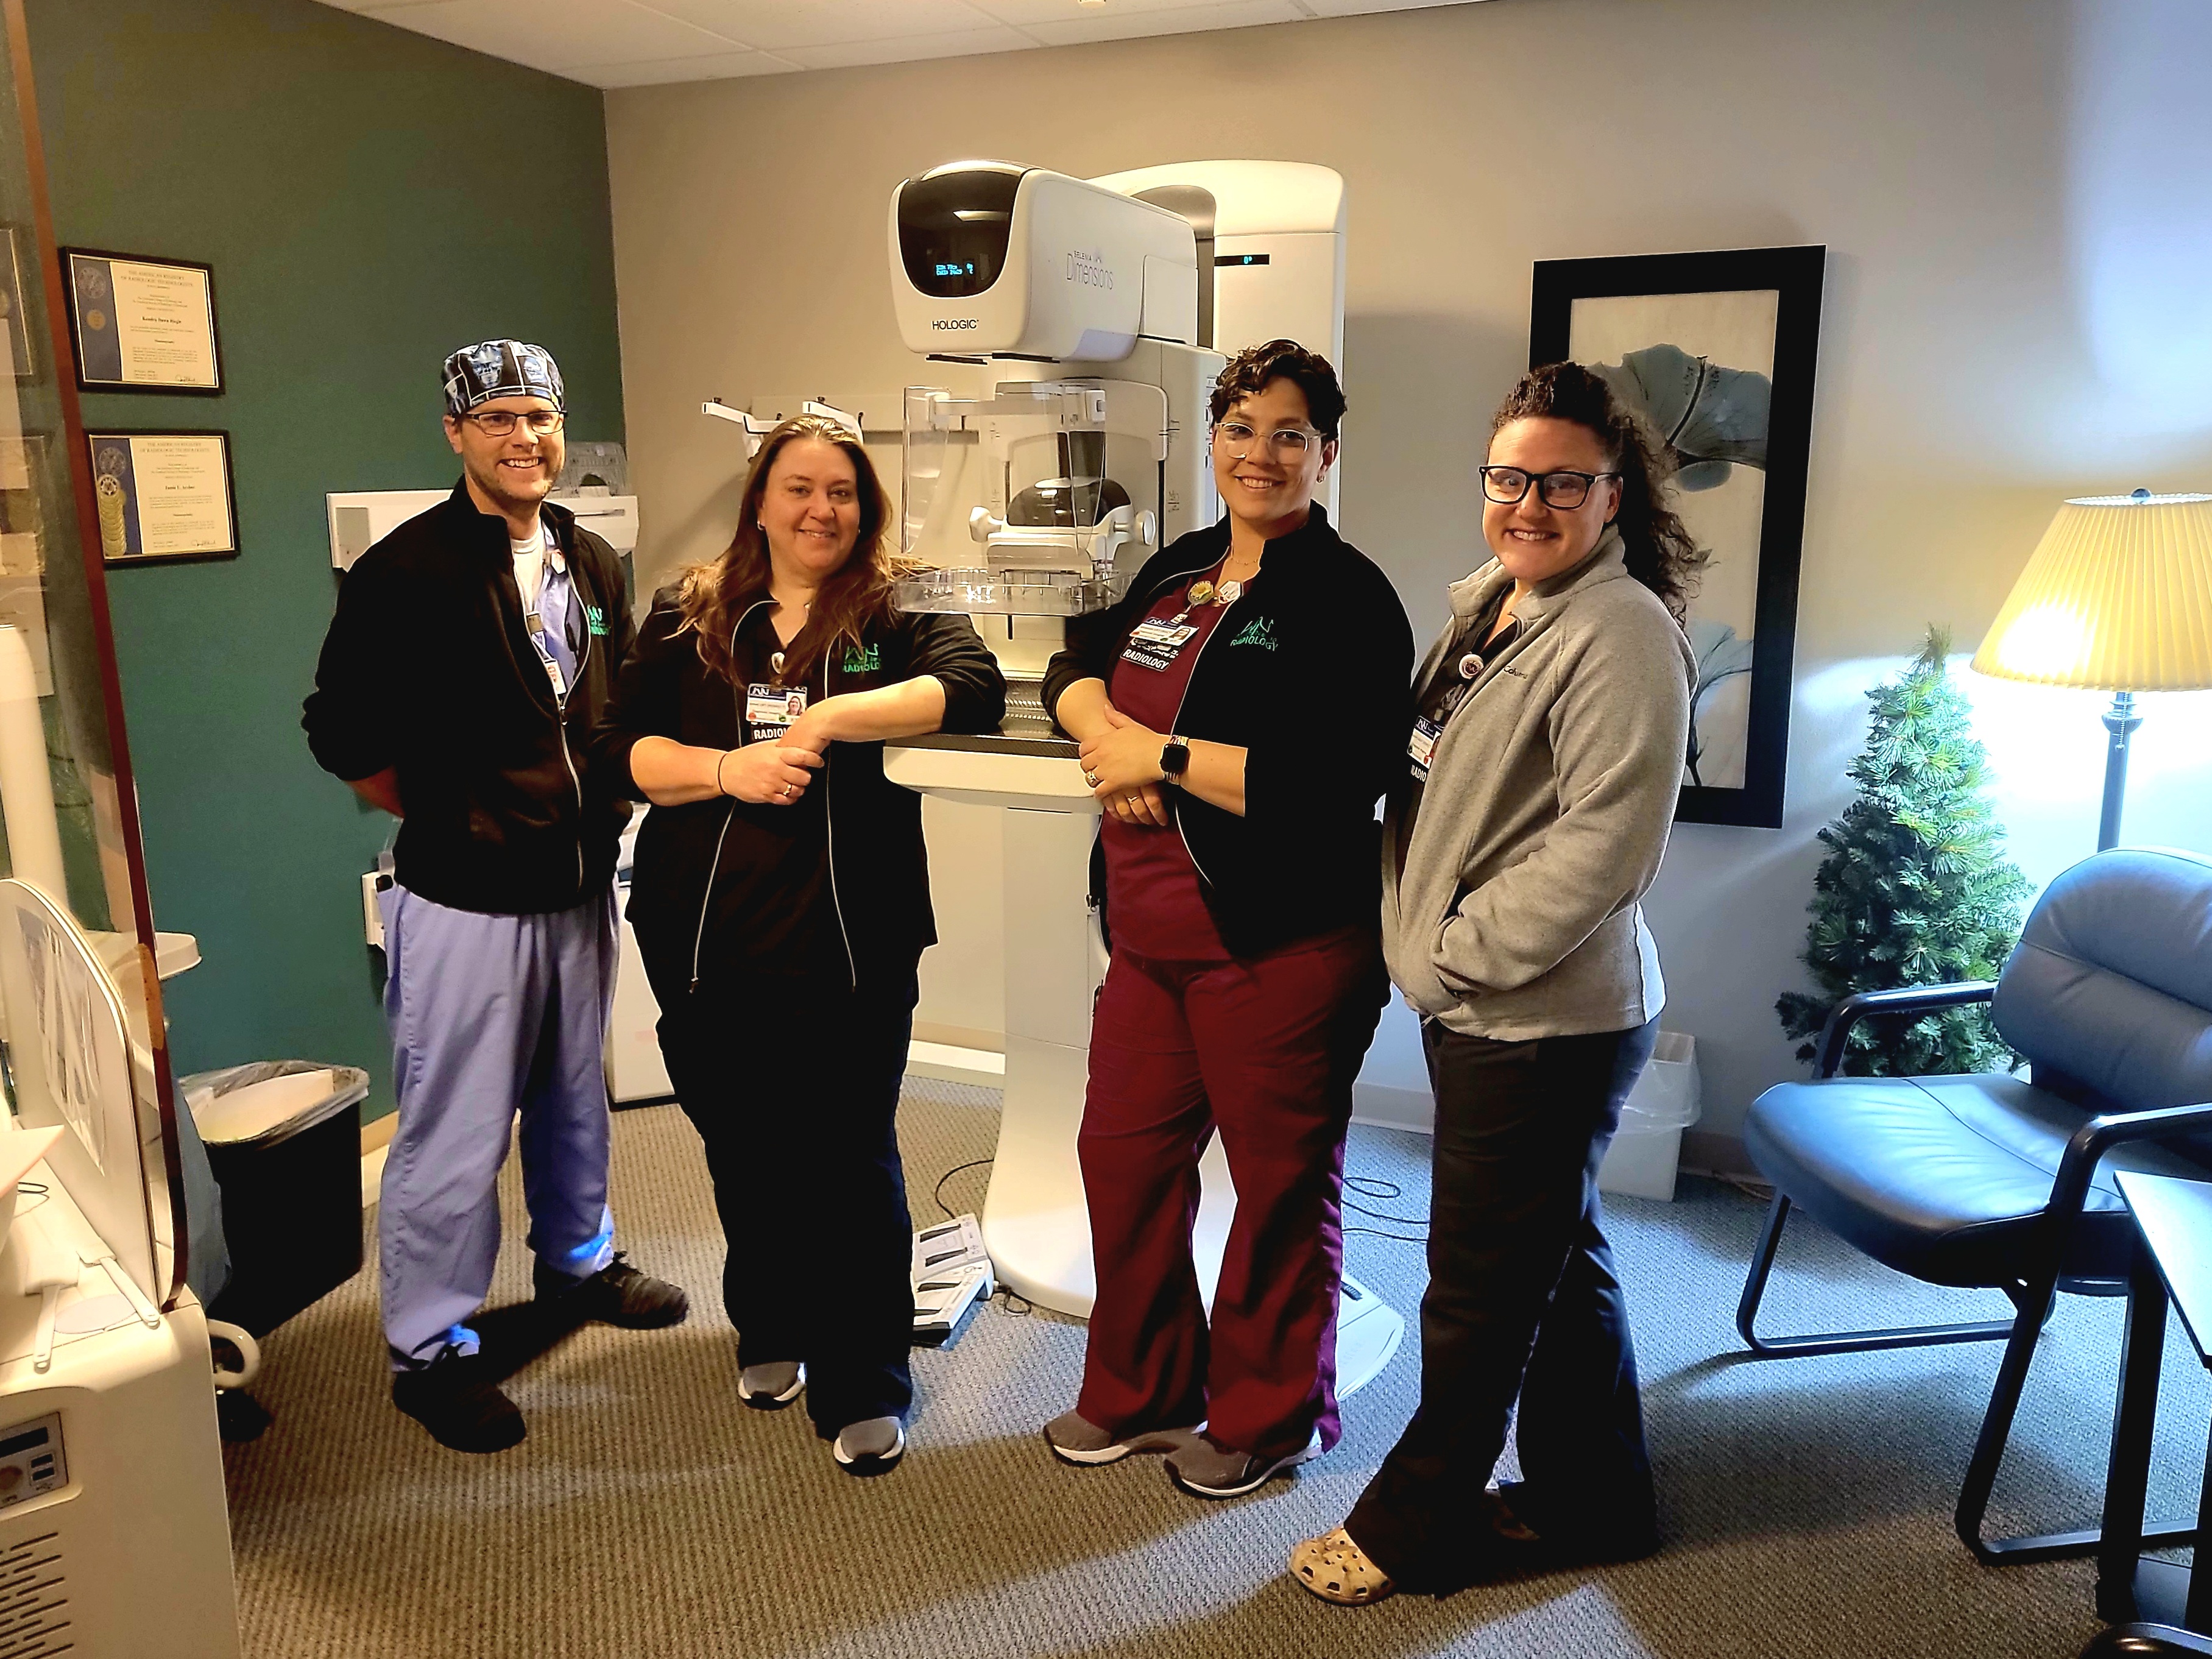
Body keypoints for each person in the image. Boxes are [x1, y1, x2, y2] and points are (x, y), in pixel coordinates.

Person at [1290, 361, 1698, 1604]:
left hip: (1540, 1014)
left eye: (1562, 482)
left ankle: (1412, 1525)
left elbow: (1605, 845)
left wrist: (1454, 950)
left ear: (1612, 492)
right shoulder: (1494, 608)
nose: (1529, 501)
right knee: (1553, 1262)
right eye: (1509, 477)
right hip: (1498, 1003)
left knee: (1476, 1289)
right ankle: (1598, 1499)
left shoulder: (1619, 631)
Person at [591, 413, 1004, 1478]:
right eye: (800, 489)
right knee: (744, 1151)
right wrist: (727, 771)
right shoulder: (689, 615)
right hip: (700, 939)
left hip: (846, 948)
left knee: (849, 1160)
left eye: (844, 492)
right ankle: (771, 1325)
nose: (823, 510)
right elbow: (616, 747)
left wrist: (826, 722)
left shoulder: (897, 604)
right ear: (761, 500)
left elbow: (971, 689)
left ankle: (865, 1376)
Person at [1039, 339, 1415, 1500]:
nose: (1261, 453)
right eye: (1242, 428)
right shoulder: (1179, 565)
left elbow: (1336, 777)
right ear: (1213, 442)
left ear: (1327, 453)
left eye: (1289, 433)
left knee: (1277, 1191)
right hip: (1148, 945)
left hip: (1281, 947)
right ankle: (1144, 1388)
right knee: (1123, 1162)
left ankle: (1267, 1417)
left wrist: (1171, 757)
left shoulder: (1349, 599)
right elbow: (1072, 661)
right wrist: (1105, 729)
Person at [303, 339, 689, 1456]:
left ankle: (577, 1262)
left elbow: (602, 712)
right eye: (501, 419)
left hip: (575, 884)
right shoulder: (409, 571)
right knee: (457, 1129)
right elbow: (341, 730)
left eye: (542, 418)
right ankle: (429, 1347)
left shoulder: (589, 560)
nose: (527, 439)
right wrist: (442, 813)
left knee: (576, 1095)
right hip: (467, 898)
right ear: (457, 434)